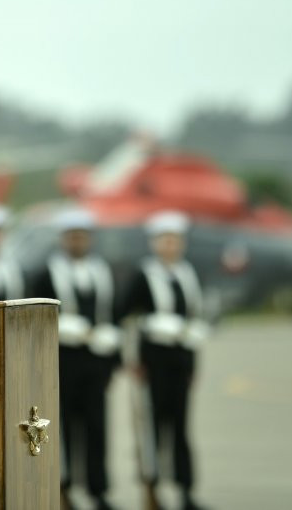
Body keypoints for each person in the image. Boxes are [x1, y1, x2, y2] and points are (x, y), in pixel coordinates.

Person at [29, 208, 121, 510]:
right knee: (62, 428)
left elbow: (113, 314)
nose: (77, 241)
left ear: (89, 239)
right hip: (62, 363)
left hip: (96, 364)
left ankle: (98, 490)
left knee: (97, 427)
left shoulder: (103, 271)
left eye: (81, 236)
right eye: (71, 236)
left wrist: (113, 357)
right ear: (63, 239)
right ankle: (63, 489)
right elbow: (35, 318)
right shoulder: (47, 274)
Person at [117, 210, 211, 510]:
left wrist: (193, 365)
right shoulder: (145, 275)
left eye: (176, 239)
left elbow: (193, 318)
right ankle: (152, 487)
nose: (171, 245)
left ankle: (185, 491)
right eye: (165, 239)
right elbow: (122, 314)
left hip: (180, 363)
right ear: (155, 243)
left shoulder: (187, 273)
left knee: (181, 428)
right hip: (153, 363)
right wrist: (134, 352)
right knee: (153, 428)